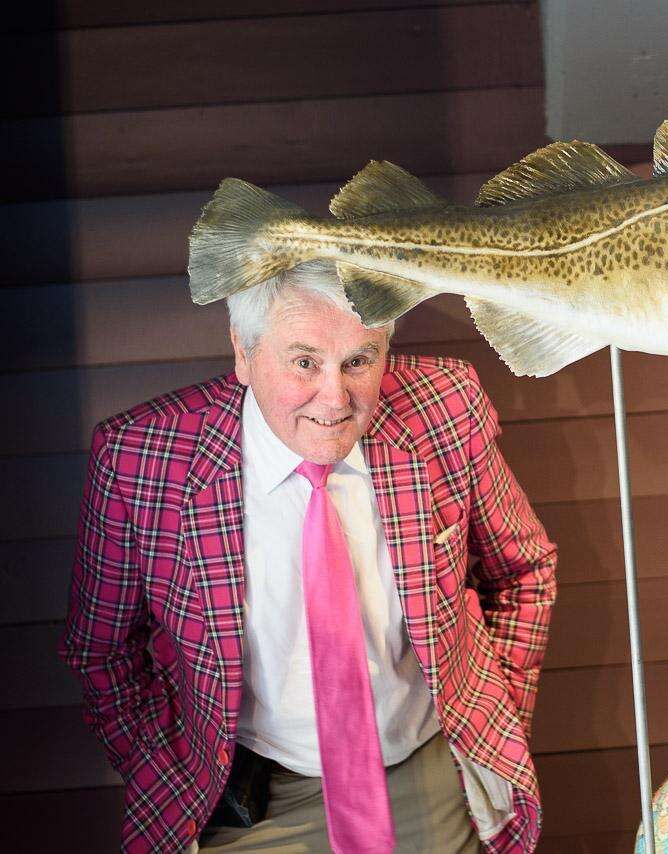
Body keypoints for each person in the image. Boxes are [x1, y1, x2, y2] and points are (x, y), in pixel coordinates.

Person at [60, 261, 557, 853]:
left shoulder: (444, 407)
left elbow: (524, 572)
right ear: (244, 354)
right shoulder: (141, 457)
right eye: (304, 362)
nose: (335, 398)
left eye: (359, 361)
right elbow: (102, 651)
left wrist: (491, 714)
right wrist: (162, 767)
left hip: (427, 770)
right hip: (250, 796)